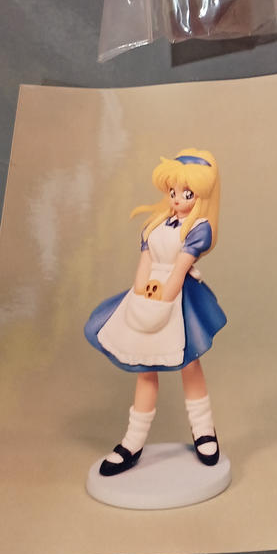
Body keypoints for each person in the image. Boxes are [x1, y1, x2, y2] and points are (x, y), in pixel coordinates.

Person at [85, 149, 227, 476]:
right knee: (145, 366)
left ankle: (204, 429)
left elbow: (180, 268)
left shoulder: (198, 228)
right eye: (173, 191)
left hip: (178, 298)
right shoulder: (156, 224)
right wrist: (140, 295)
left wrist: (164, 298)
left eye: (187, 193)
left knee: (189, 361)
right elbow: (145, 262)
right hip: (148, 293)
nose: (177, 199)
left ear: (201, 195)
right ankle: (133, 441)